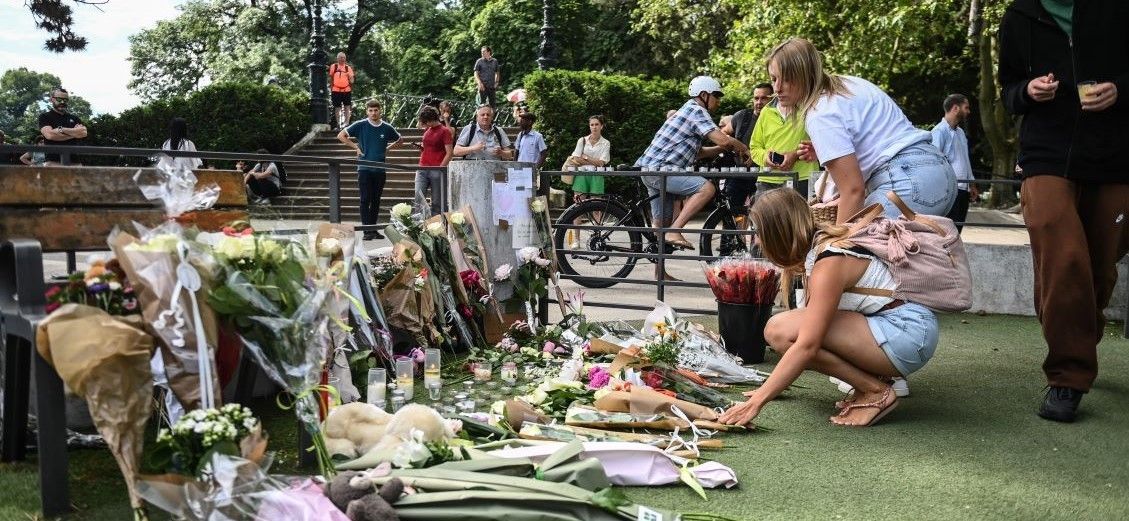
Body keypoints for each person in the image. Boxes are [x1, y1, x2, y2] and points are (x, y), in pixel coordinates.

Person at [998, 0, 1129, 423]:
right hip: (1046, 155)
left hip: (1114, 156)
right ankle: (1068, 375)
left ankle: (1080, 333)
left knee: (1100, 268)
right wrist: (1028, 91)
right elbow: (1008, 92)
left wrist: (1119, 89)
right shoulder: (1019, 16)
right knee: (1063, 257)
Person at [719, 189, 940, 428]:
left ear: (778, 232)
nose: (758, 242)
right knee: (785, 328)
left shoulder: (829, 262)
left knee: (779, 331)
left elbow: (807, 345)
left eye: (759, 233)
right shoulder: (820, 249)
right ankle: (871, 385)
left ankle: (875, 391)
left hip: (907, 333)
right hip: (899, 330)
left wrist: (757, 402)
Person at [768, 38, 956, 222]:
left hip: (906, 183)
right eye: (774, 79)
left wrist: (838, 238)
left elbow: (853, 191)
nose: (777, 88)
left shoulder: (819, 112)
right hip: (940, 173)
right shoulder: (848, 84)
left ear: (805, 74)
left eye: (787, 79)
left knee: (845, 242)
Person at [634, 76, 750, 252]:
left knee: (661, 228)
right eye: (716, 95)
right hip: (661, 169)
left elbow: (700, 152)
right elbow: (724, 140)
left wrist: (722, 148)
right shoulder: (697, 110)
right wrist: (743, 147)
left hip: (651, 169)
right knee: (707, 189)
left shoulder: (686, 110)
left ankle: (660, 265)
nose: (718, 101)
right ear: (704, 95)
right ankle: (675, 230)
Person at [338, 99, 404, 240]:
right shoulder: (360, 125)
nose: (373, 113)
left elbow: (400, 140)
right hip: (364, 169)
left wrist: (388, 149)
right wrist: (355, 147)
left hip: (380, 170)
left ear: (380, 111)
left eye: (376, 110)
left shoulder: (387, 127)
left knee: (376, 200)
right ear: (367, 111)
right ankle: (366, 231)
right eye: (370, 110)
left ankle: (373, 230)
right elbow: (341, 136)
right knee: (365, 199)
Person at [749, 95, 819, 198]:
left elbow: (824, 143)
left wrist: (795, 155)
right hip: (767, 180)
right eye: (775, 82)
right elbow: (755, 147)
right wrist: (765, 157)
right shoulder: (766, 111)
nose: (778, 88)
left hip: (803, 178)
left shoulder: (811, 107)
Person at [931, 94, 976, 232]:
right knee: (948, 231)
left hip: (963, 189)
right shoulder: (939, 131)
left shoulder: (960, 132)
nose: (968, 111)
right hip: (949, 190)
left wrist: (972, 184)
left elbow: (965, 160)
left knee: (957, 231)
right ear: (955, 108)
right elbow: (935, 163)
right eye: (966, 107)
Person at [414, 105, 453, 216]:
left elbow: (450, 152)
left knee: (437, 202)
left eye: (425, 122)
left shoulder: (444, 131)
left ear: (431, 120)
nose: (424, 124)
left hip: (437, 168)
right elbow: (429, 147)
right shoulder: (428, 129)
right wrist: (421, 148)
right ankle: (420, 223)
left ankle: (437, 224)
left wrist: (441, 168)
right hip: (422, 167)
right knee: (418, 197)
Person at [567, 115, 612, 202]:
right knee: (578, 204)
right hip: (581, 174)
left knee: (596, 204)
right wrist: (595, 161)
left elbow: (601, 163)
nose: (594, 127)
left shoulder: (606, 143)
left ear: (601, 126)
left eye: (597, 124)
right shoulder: (582, 140)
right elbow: (576, 158)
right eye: (592, 125)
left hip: (597, 175)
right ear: (589, 126)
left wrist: (586, 157)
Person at [38, 87, 88, 165]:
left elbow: (83, 133)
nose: (62, 102)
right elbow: (50, 135)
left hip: (75, 162)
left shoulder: (74, 118)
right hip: (53, 162)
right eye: (59, 99)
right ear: (52, 99)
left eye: (65, 100)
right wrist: (74, 134)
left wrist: (61, 130)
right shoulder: (45, 116)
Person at [329, 52, 355, 128]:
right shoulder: (333, 66)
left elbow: (352, 81)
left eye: (344, 57)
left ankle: (347, 123)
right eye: (341, 57)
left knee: (347, 106)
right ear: (337, 58)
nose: (342, 59)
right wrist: (331, 88)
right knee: (337, 107)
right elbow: (331, 78)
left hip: (346, 90)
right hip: (336, 90)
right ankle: (338, 124)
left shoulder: (348, 68)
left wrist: (350, 77)